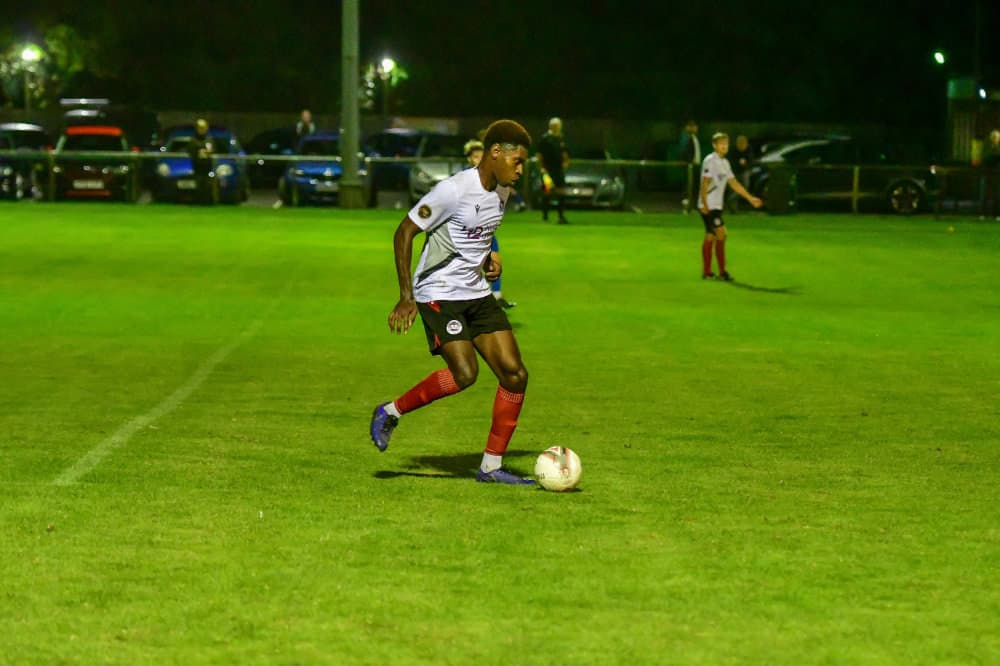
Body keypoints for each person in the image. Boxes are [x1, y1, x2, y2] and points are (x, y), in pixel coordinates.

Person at [370, 119, 534, 485]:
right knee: (465, 374)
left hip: (476, 292)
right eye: (518, 161)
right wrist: (406, 296)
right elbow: (404, 232)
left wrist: (489, 260)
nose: (521, 170)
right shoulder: (453, 190)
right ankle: (390, 411)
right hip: (439, 293)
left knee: (515, 374)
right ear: (496, 153)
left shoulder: (503, 191)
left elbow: (475, 235)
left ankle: (491, 467)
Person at [699, 132, 763, 281]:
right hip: (709, 205)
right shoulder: (710, 160)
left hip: (716, 205)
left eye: (726, 143)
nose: (724, 146)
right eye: (721, 143)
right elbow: (704, 183)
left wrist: (750, 198)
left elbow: (734, 183)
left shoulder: (725, 163)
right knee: (722, 234)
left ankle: (707, 272)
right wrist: (704, 205)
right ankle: (722, 272)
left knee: (710, 236)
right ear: (714, 145)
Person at [465, 139, 517, 309]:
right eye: (475, 156)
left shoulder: (490, 177)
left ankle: (496, 295)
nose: (478, 159)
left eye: (481, 156)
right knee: (469, 265)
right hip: (466, 232)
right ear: (469, 158)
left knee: (494, 260)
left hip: (486, 229)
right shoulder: (463, 178)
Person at [536, 117, 569, 224]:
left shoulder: (561, 138)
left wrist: (565, 162)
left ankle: (561, 217)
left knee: (561, 192)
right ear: (551, 126)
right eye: (555, 126)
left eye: (558, 126)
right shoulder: (545, 139)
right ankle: (545, 217)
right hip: (547, 170)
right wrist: (542, 168)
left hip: (558, 170)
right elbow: (539, 155)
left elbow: (564, 153)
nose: (557, 128)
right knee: (547, 192)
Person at [187, 118, 215, 204]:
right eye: (200, 128)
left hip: (207, 166)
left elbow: (212, 150)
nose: (202, 130)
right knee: (198, 184)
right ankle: (197, 201)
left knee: (207, 184)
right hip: (197, 166)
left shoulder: (209, 139)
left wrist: (208, 152)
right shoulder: (193, 140)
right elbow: (191, 151)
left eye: (203, 128)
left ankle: (207, 201)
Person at [679, 119, 701, 212]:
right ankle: (686, 207)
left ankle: (691, 207)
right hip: (690, 166)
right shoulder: (686, 138)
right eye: (692, 126)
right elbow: (684, 151)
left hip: (695, 166)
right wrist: (688, 162)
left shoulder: (694, 137)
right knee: (688, 186)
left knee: (694, 187)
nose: (695, 128)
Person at [726, 134, 752, 212]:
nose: (742, 145)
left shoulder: (748, 150)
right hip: (734, 171)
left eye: (744, 143)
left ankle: (730, 200)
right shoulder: (732, 150)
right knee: (732, 189)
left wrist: (745, 163)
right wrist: (738, 162)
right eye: (740, 143)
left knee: (745, 186)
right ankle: (733, 208)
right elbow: (729, 161)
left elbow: (751, 160)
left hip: (744, 171)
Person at [984, 129, 1000, 221]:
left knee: (998, 195)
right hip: (989, 174)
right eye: (993, 137)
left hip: (998, 174)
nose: (995, 139)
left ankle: (997, 214)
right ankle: (984, 213)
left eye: (996, 137)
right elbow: (986, 158)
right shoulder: (988, 147)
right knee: (987, 194)